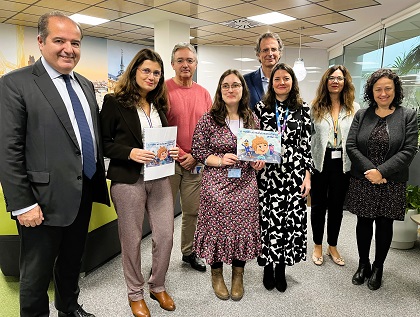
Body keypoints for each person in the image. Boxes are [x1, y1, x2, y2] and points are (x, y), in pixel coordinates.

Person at [0, 11, 110, 317]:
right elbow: (8, 150)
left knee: (72, 261)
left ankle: (68, 307)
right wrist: (22, 204)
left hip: (82, 192)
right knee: (35, 275)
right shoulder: (15, 84)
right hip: (40, 203)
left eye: (75, 42)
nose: (68, 49)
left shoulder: (85, 85)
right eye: (59, 40)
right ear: (40, 42)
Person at [100, 48, 178, 317]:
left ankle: (158, 285)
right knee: (131, 240)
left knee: (165, 236)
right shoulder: (114, 102)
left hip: (159, 178)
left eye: (157, 72)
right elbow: (104, 143)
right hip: (128, 180)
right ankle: (135, 293)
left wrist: (173, 150)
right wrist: (130, 152)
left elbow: (161, 141)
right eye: (146, 70)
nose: (152, 76)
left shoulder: (158, 106)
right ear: (134, 71)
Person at [191, 69, 264, 301]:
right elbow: (199, 150)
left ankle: (238, 274)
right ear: (220, 91)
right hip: (216, 184)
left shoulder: (252, 118)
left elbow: (259, 149)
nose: (231, 90)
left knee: (242, 228)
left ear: (243, 90)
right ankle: (216, 274)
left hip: (245, 183)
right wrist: (220, 160)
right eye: (226, 86)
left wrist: (259, 162)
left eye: (235, 85)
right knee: (215, 228)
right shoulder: (209, 118)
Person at [346, 68, 418, 291]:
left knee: (384, 225)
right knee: (364, 224)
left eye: (388, 88)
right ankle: (363, 264)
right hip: (364, 179)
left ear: (395, 90)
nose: (383, 93)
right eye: (378, 89)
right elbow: (351, 146)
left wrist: (383, 172)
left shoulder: (408, 115)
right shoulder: (362, 115)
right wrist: (371, 171)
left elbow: (409, 149)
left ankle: (378, 267)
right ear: (371, 91)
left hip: (392, 181)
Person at [254, 63, 312, 293]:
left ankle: (281, 269)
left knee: (288, 223)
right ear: (271, 83)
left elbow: (307, 146)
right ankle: (268, 267)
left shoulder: (303, 108)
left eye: (286, 78)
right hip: (268, 174)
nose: (281, 82)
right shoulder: (261, 108)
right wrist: (255, 160)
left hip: (293, 174)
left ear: (292, 81)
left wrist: (307, 177)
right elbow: (254, 141)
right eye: (277, 79)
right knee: (267, 221)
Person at [166, 42, 212, 272]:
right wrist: (182, 154)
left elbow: (210, 129)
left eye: (190, 60)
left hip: (196, 163)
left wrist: (195, 155)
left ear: (195, 64)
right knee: (163, 214)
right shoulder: (162, 90)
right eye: (181, 60)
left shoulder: (203, 93)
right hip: (169, 162)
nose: (185, 64)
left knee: (192, 211)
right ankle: (160, 258)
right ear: (172, 64)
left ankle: (189, 252)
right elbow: (158, 127)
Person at [310, 65, 360, 266]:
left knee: (337, 206)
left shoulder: (354, 108)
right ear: (326, 81)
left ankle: (332, 245)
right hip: (320, 160)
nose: (335, 81)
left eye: (339, 78)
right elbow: (309, 138)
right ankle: (317, 244)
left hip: (343, 162)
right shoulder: (315, 107)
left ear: (345, 82)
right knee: (318, 205)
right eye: (331, 77)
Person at [244, 32, 283, 110]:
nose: (270, 53)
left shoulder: (287, 82)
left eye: (273, 49)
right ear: (258, 54)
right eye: (265, 50)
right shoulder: (245, 81)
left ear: (279, 53)